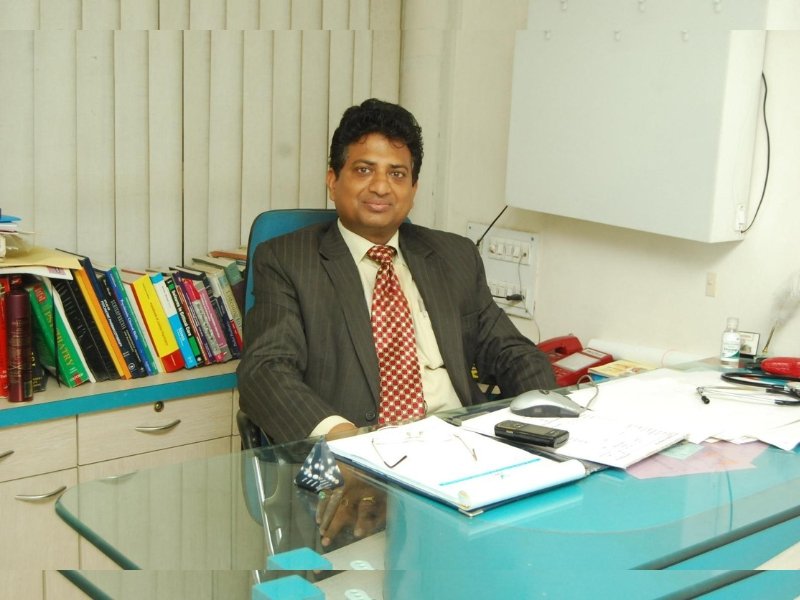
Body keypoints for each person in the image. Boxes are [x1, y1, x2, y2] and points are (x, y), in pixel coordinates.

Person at [237, 98, 555, 544]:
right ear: (333, 180)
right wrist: (346, 444)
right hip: (348, 457)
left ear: (413, 187)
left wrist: (543, 414)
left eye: (397, 174)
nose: (381, 187)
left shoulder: (452, 256)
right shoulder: (288, 260)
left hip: (457, 450)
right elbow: (265, 371)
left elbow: (510, 349)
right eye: (364, 170)